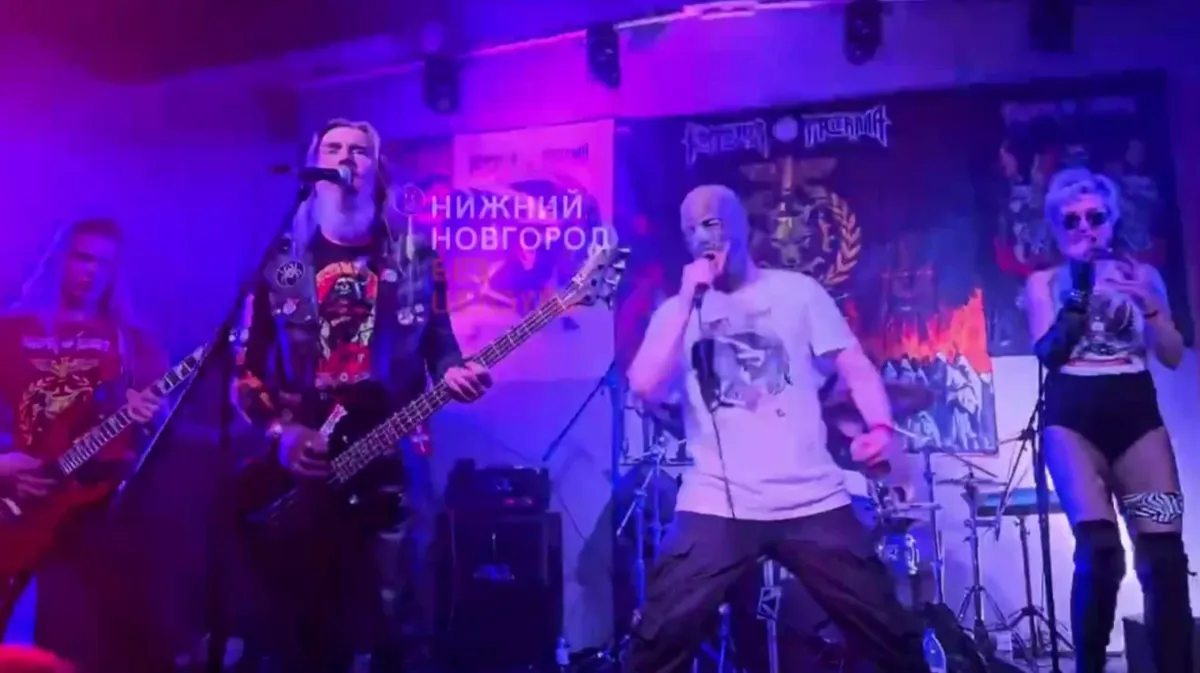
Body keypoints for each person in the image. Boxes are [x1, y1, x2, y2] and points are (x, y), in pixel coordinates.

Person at [624, 184, 930, 672]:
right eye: (690, 229)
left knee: (888, 630)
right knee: (659, 637)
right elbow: (643, 384)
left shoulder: (797, 293)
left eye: (711, 223)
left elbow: (854, 366)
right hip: (716, 499)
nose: (702, 237)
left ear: (741, 226)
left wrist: (880, 427)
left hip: (809, 496)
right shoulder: (677, 312)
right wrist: (685, 301)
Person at [230, 119, 493, 673]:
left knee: (403, 616)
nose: (346, 157)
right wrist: (281, 433)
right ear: (316, 166)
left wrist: (454, 372)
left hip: (394, 457)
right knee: (307, 625)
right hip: (308, 465)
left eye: (359, 150)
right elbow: (246, 372)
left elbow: (440, 342)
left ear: (377, 170)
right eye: (333, 148)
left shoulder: (416, 257)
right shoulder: (282, 263)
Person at [1024, 167, 1191, 673]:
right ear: (1056, 228)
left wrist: (1151, 307)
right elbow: (1050, 353)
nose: (1084, 228)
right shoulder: (1044, 283)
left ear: (1111, 220)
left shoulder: (1143, 277)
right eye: (1071, 220)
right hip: (1072, 417)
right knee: (1099, 553)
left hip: (1135, 412)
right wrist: (1078, 287)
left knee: (1163, 555)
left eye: (1094, 217)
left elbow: (1172, 355)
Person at [0, 217, 169, 672]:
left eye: (105, 264)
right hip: (17, 501)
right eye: (83, 258)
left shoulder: (132, 342)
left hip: (95, 509)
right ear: (60, 259)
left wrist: (152, 416)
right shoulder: (8, 331)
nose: (92, 272)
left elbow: (163, 426)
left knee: (78, 635)